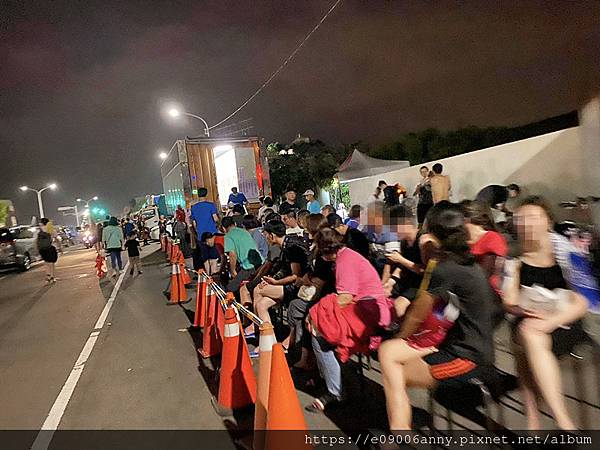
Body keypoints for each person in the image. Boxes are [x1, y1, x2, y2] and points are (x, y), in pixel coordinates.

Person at [378, 202, 497, 430]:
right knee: (389, 354)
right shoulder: (464, 261)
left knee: (393, 367)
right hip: (462, 344)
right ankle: (400, 428)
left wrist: (401, 337)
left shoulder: (445, 269)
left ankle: (399, 433)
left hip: (467, 359)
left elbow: (416, 316)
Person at [503, 196, 588, 430]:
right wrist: (522, 308)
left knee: (528, 336)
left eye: (533, 217)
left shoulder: (566, 251)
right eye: (520, 219)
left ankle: (544, 421)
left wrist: (551, 321)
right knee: (527, 332)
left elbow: (583, 301)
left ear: (547, 221)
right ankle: (556, 422)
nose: (526, 224)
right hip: (529, 316)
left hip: (566, 320)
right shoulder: (513, 257)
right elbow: (509, 302)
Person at [306, 228, 394, 412]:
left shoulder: (344, 261)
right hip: (366, 309)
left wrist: (317, 314)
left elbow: (344, 298)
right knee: (318, 321)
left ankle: (334, 389)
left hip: (367, 314)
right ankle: (334, 381)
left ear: (325, 251)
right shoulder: (348, 256)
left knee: (319, 334)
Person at [253, 220, 310, 325]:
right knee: (261, 304)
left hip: (297, 287)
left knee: (257, 290)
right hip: (289, 285)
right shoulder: (286, 244)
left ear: (272, 235)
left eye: (266, 235)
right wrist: (271, 280)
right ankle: (268, 337)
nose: (265, 238)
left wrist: (275, 282)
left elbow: (295, 275)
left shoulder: (291, 248)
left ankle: (255, 327)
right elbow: (284, 270)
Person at [383, 204, 437, 300]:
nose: (392, 231)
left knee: (399, 305)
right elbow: (401, 267)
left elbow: (426, 271)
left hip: (421, 286)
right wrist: (390, 282)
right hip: (406, 282)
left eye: (394, 227)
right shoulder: (404, 242)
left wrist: (401, 259)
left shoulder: (423, 241)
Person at [461, 200, 508, 296]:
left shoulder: (493, 238)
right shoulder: (461, 240)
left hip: (486, 294)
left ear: (467, 219)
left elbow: (488, 274)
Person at [222, 216, 264, 293]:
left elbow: (232, 254)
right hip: (261, 263)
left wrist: (233, 270)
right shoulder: (244, 231)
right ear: (234, 224)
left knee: (230, 289)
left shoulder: (227, 236)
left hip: (248, 267)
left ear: (223, 228)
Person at [37, 218, 58, 283]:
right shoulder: (50, 229)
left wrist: (38, 249)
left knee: (46, 263)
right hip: (50, 248)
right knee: (52, 263)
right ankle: (52, 276)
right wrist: (60, 247)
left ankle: (48, 275)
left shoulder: (39, 230)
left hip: (42, 249)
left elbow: (36, 240)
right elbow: (56, 238)